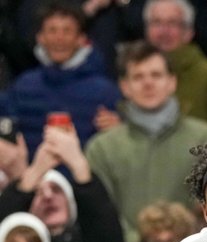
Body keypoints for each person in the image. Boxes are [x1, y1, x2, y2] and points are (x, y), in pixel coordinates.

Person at [85, 40, 207, 242]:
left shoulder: (206, 138)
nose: (148, 83)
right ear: (124, 86)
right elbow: (101, 213)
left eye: (156, 75)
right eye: (138, 77)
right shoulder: (101, 148)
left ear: (172, 82)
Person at [0, 1, 120, 156]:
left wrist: (121, 129)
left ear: (81, 39)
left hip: (84, 170)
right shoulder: (22, 86)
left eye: (67, 31)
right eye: (52, 30)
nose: (59, 38)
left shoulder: (105, 91)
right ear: (40, 38)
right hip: (31, 170)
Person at [142, 0, 207, 136]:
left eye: (172, 23)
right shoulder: (132, 72)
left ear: (189, 32)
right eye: (157, 23)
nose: (164, 31)